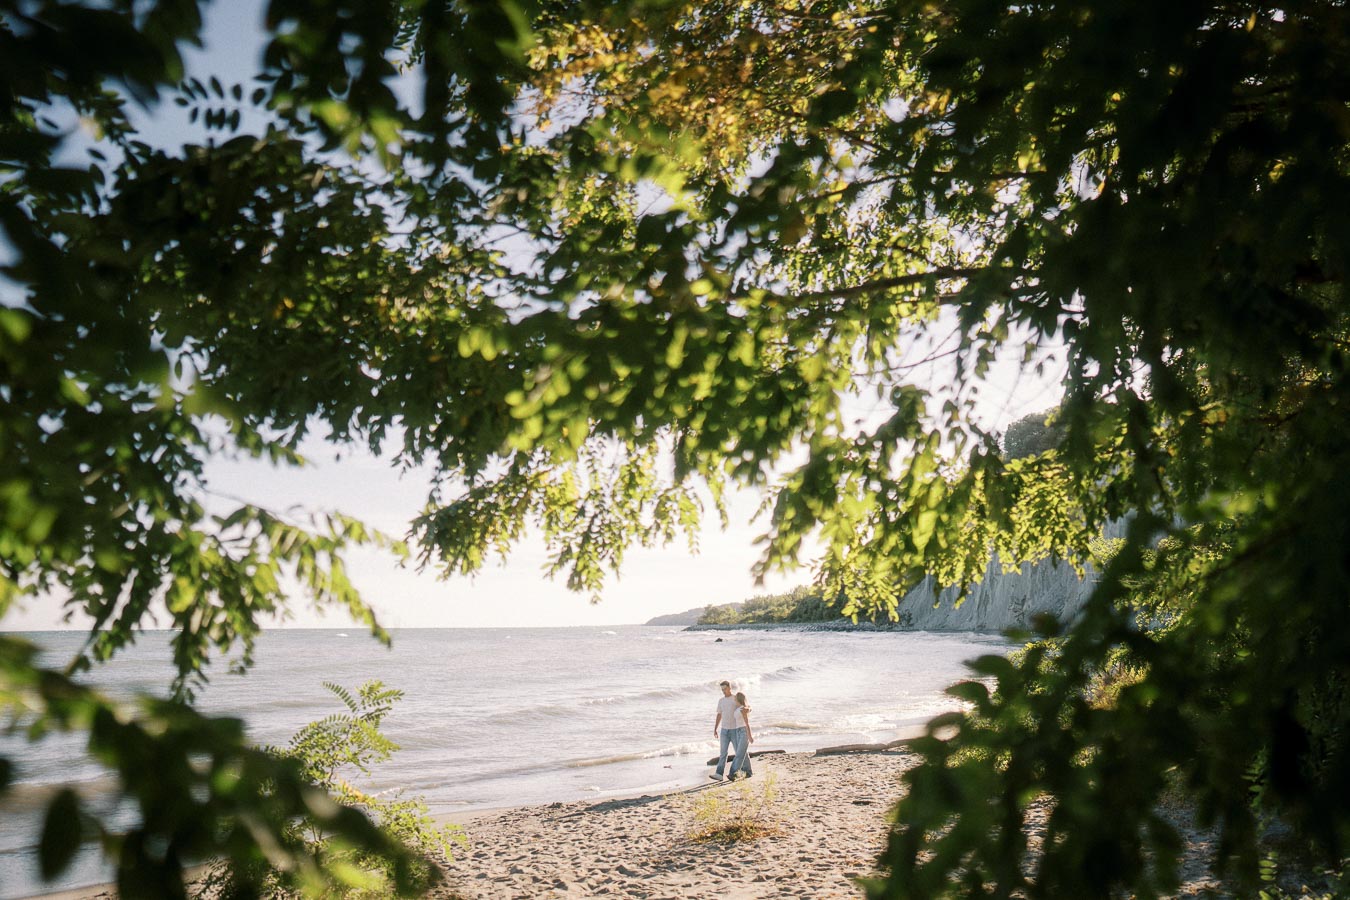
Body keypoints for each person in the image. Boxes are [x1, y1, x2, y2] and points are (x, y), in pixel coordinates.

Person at [710, 680, 740, 781]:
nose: (723, 691)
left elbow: (742, 710)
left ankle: (742, 771)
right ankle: (719, 774)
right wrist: (715, 728)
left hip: (735, 730)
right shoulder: (721, 701)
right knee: (723, 753)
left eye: (725, 689)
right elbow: (719, 714)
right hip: (724, 731)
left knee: (738, 752)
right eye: (722, 689)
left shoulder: (735, 698)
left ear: (729, 688)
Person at [728, 691, 755, 780]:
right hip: (737, 731)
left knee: (739, 754)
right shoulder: (737, 709)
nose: (734, 699)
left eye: (735, 698)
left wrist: (749, 736)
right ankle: (748, 772)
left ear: (738, 699)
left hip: (744, 731)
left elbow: (747, 723)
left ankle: (733, 773)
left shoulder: (743, 709)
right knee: (742, 753)